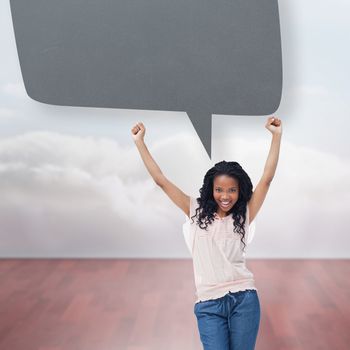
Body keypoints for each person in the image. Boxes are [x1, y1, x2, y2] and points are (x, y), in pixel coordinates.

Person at [131, 116, 282, 350]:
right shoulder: (194, 210)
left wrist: (276, 136)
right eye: (219, 189)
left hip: (245, 299)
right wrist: (140, 142)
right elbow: (160, 180)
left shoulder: (244, 215)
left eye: (232, 190)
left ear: (239, 191)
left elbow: (267, 179)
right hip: (209, 304)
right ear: (210, 190)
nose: (225, 195)